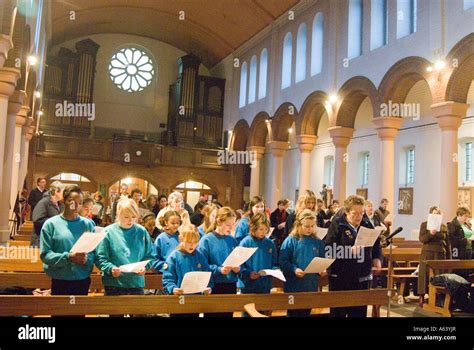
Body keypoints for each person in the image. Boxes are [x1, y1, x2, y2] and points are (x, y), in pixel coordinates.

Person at [325, 195, 382, 318]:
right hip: (340, 277)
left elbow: (376, 244)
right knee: (338, 312)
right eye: (354, 213)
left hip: (362, 276)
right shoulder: (337, 224)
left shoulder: (366, 223)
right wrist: (349, 250)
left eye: (361, 213)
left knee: (359, 312)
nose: (359, 217)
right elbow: (329, 249)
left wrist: (377, 258)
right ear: (346, 212)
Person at [40, 184, 96, 296]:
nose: (75, 206)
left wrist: (86, 259)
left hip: (82, 278)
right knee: (60, 312)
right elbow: (45, 255)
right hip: (60, 279)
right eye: (72, 201)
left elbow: (94, 252)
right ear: (64, 201)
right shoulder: (51, 224)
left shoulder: (88, 224)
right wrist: (68, 257)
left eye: (80, 203)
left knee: (78, 312)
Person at [96, 198, 154, 296]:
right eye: (126, 217)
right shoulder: (108, 232)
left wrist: (145, 267)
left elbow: (150, 256)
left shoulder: (142, 232)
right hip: (114, 284)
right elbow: (100, 258)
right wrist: (110, 268)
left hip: (136, 283)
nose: (131, 220)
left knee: (138, 311)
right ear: (118, 214)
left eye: (133, 216)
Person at [279, 209, 326, 317]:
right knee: (293, 313)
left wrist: (322, 270)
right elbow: (283, 261)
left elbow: (322, 260)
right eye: (307, 226)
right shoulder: (290, 240)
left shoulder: (318, 242)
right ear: (299, 225)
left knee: (306, 312)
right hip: (294, 285)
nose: (310, 229)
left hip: (310, 285)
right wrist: (294, 269)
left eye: (312, 226)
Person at [162, 225, 212, 316]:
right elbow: (167, 279)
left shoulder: (200, 256)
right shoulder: (174, 257)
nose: (192, 245)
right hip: (179, 299)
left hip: (195, 299)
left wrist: (208, 287)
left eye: (195, 242)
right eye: (189, 242)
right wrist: (173, 288)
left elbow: (207, 276)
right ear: (181, 239)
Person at [198, 206, 239, 317]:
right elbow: (201, 265)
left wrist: (237, 268)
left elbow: (238, 260)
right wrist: (219, 269)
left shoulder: (232, 240)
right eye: (228, 225)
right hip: (214, 284)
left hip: (230, 284)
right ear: (219, 222)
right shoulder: (207, 240)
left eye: (233, 225)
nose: (231, 228)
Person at [238, 213, 278, 296]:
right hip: (248, 286)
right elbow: (239, 265)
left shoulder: (270, 243)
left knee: (264, 308)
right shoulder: (245, 243)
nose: (264, 232)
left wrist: (275, 270)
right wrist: (248, 274)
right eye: (261, 229)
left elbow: (275, 263)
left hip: (265, 285)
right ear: (253, 228)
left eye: (266, 229)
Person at [418, 206, 450, 306]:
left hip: (440, 252)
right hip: (428, 252)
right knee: (425, 274)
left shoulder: (443, 226)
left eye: (437, 213)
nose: (435, 215)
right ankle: (422, 296)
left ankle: (439, 296)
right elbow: (422, 239)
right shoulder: (424, 224)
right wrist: (431, 234)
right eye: (434, 213)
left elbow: (447, 241)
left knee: (439, 275)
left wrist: (449, 256)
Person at [31, 181, 65, 247]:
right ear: (56, 191)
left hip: (50, 240)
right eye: (63, 191)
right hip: (40, 241)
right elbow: (37, 220)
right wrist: (55, 221)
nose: (64, 194)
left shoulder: (59, 204)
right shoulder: (44, 202)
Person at [448, 206, 472, 279]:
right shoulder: (452, 225)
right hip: (459, 252)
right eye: (465, 216)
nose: (466, 218)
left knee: (468, 272)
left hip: (469, 251)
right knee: (461, 273)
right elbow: (452, 240)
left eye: (467, 216)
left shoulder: (466, 225)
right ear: (459, 215)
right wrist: (465, 240)